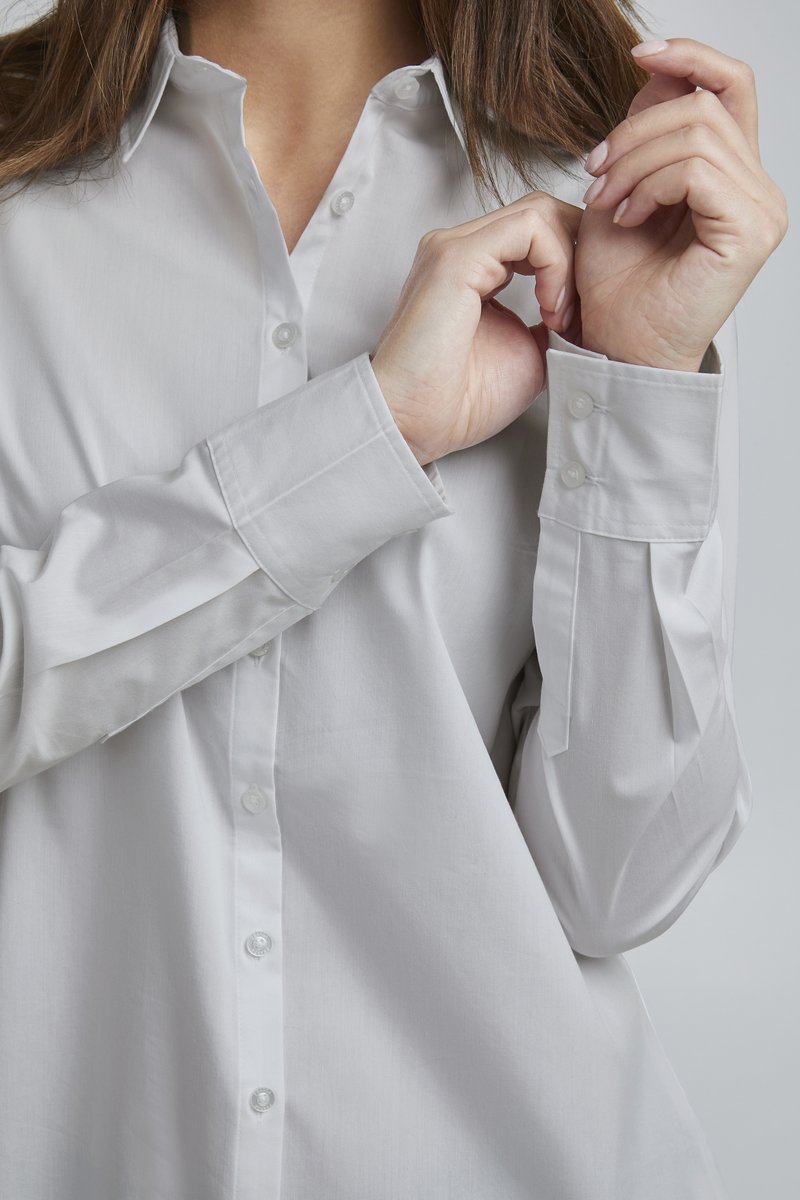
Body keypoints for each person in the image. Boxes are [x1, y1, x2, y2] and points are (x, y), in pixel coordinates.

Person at [0, 1, 787, 1197]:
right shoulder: (18, 186)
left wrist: (640, 378)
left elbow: (619, 885)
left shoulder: (598, 192)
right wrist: (364, 439)